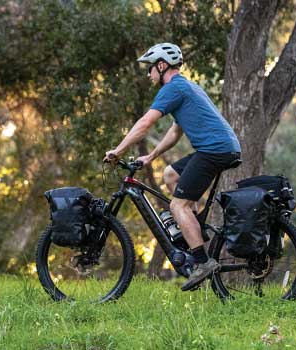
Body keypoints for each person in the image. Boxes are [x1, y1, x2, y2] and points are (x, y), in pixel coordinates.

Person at [103, 43, 241, 291]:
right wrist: (152, 155)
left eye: (150, 68)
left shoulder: (173, 87)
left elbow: (145, 123)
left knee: (178, 205)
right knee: (170, 175)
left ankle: (201, 262)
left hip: (214, 150)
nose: (149, 74)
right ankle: (195, 232)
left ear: (162, 65)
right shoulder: (186, 86)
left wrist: (119, 150)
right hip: (221, 147)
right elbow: (176, 130)